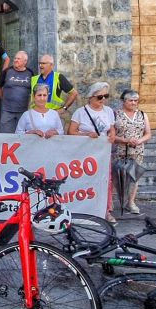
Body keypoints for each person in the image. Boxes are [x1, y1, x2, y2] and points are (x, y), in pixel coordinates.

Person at [68, 82, 117, 222]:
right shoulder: (81, 112)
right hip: (85, 154)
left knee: (105, 181)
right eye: (99, 97)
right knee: (85, 181)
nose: (103, 100)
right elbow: (71, 132)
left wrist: (112, 134)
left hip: (103, 153)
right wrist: (86, 135)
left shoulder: (108, 111)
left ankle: (106, 211)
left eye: (106, 96)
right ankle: (84, 209)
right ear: (91, 97)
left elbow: (111, 127)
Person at [112, 89, 151, 215]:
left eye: (136, 100)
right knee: (116, 176)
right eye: (131, 100)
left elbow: (148, 133)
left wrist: (139, 141)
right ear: (124, 101)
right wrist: (124, 140)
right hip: (119, 150)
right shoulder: (115, 114)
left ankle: (131, 202)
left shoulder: (142, 114)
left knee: (134, 177)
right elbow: (111, 135)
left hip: (137, 150)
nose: (134, 103)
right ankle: (111, 202)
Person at [0, 50, 34, 134]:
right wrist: (3, 98)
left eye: (18, 59)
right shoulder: (7, 71)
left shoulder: (30, 73)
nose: (15, 60)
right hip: (7, 111)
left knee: (22, 137)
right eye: (15, 58)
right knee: (6, 137)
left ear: (25, 61)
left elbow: (33, 91)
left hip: (23, 112)